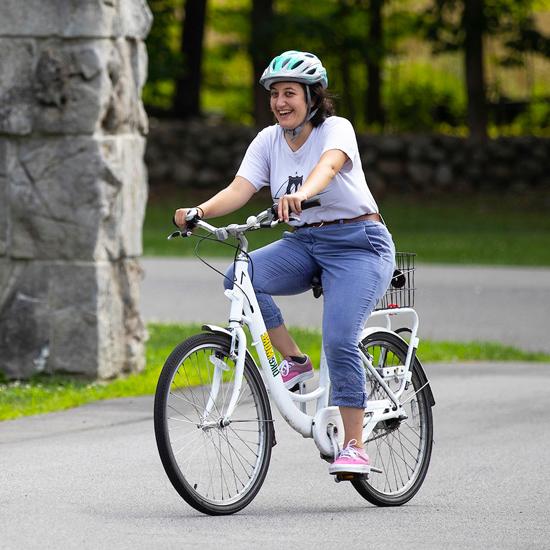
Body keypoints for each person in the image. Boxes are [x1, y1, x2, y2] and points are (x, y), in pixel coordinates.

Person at [174, 50, 395, 476]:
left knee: (339, 336)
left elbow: (329, 168)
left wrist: (302, 192)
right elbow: (240, 188)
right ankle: (292, 359)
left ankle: (354, 445)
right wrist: (198, 211)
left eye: (290, 93)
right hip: (306, 241)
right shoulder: (268, 139)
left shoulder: (336, 129)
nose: (280, 102)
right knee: (240, 277)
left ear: (312, 96)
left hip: (359, 243)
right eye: (275, 94)